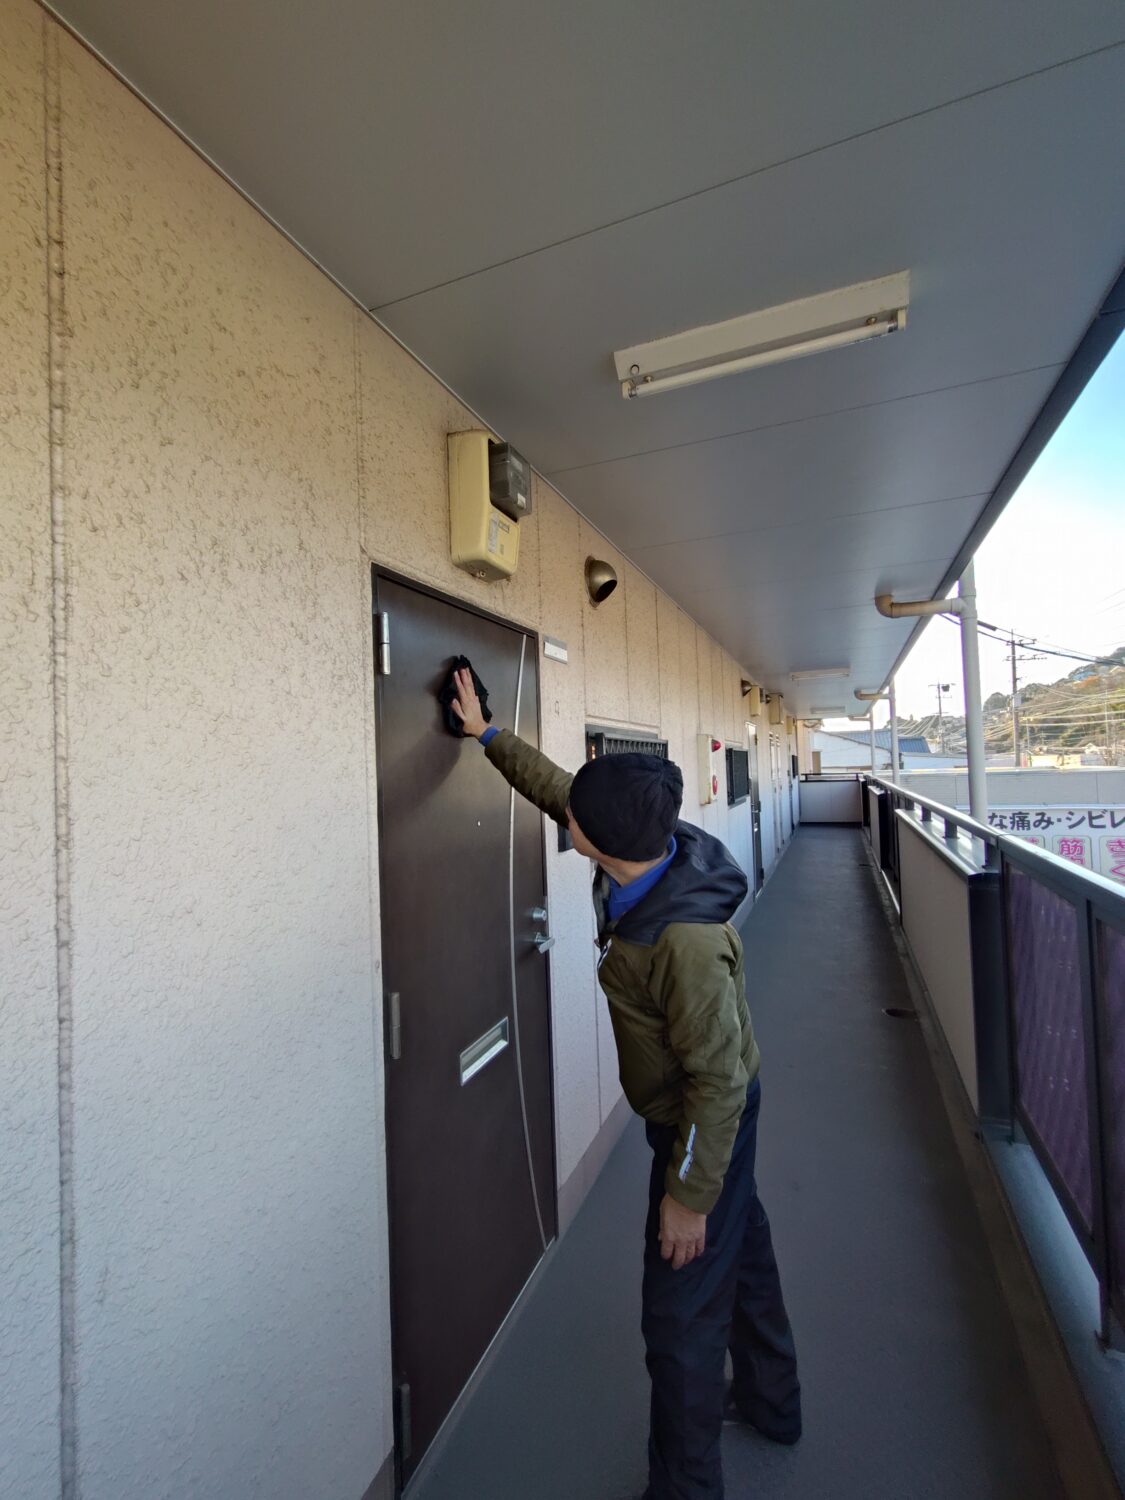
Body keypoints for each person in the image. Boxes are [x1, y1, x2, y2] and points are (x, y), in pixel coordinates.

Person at [452, 669, 800, 1500]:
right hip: (703, 1114)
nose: (565, 816)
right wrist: (487, 735)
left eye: (574, 817)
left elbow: (716, 1082)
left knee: (679, 1318)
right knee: (744, 1250)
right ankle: (772, 1403)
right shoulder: (647, 844)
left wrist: (687, 1195)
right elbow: (561, 792)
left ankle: (685, 1488)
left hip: (702, 1123)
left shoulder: (683, 943)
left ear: (594, 838)